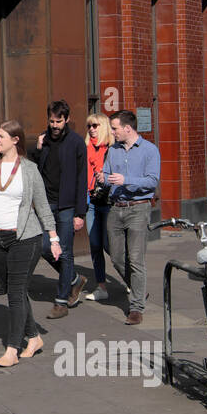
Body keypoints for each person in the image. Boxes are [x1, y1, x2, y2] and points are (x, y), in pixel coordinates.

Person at [0, 120, 59, 367]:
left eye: (1, 136)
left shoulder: (29, 170)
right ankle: (34, 337)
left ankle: (12, 348)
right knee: (14, 290)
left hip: (24, 238)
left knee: (16, 292)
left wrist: (53, 238)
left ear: (15, 140)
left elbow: (41, 205)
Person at [28, 100, 87, 317]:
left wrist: (81, 213)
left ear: (67, 120)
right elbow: (34, 169)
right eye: (51, 121)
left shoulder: (76, 143)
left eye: (58, 121)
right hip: (46, 204)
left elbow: (82, 178)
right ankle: (74, 279)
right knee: (44, 247)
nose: (54, 125)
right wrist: (38, 149)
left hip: (67, 206)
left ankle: (61, 302)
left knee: (65, 252)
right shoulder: (44, 140)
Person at [102, 110, 161, 325]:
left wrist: (126, 180)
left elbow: (152, 181)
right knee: (117, 257)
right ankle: (138, 289)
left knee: (136, 259)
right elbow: (108, 176)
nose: (113, 132)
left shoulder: (149, 150)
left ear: (128, 128)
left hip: (138, 207)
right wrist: (104, 178)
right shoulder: (113, 150)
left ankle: (136, 307)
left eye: (115, 128)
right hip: (116, 208)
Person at [83, 112, 115, 301]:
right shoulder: (85, 148)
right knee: (95, 245)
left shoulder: (112, 149)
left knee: (110, 246)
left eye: (95, 126)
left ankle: (131, 280)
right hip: (92, 202)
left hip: (109, 202)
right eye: (89, 126)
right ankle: (101, 286)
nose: (92, 129)